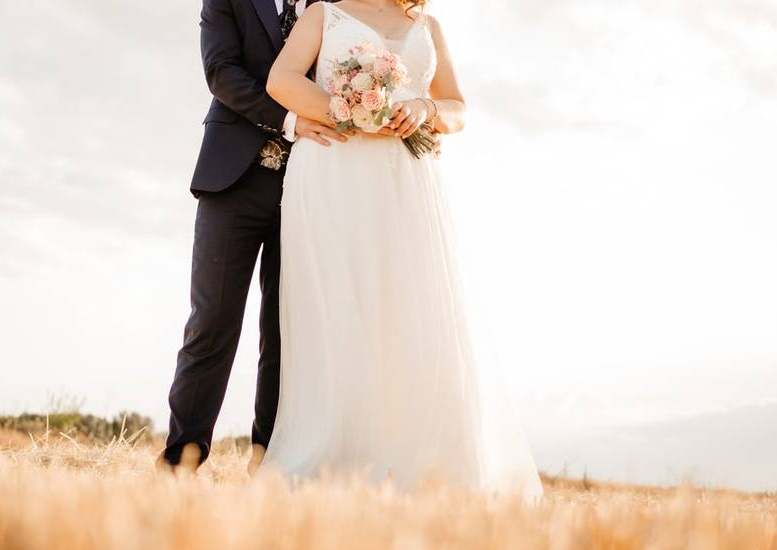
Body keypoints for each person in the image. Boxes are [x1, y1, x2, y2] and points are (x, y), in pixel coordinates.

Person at [262, 0, 543, 499]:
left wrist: (425, 109)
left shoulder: (428, 26)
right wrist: (349, 110)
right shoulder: (324, 14)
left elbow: (458, 107)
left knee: (415, 311)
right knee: (342, 308)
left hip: (408, 181)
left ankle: (422, 458)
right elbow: (282, 81)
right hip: (335, 172)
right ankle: (339, 457)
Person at [158, 0, 346, 473]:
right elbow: (221, 72)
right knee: (212, 322)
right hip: (232, 182)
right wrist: (289, 121)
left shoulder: (338, 7)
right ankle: (182, 457)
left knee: (286, 332)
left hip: (308, 184)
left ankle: (269, 463)